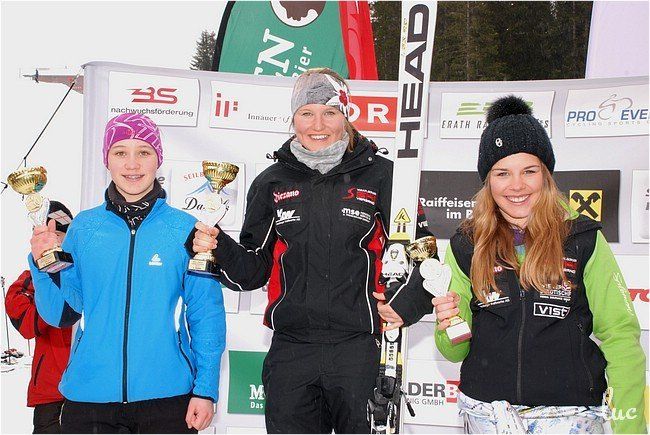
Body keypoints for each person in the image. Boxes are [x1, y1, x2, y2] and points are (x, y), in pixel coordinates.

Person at [191, 68, 433, 433]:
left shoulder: (384, 175)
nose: (317, 125)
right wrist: (217, 245)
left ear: (345, 115)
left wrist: (406, 303)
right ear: (294, 118)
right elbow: (253, 272)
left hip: (358, 349)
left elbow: (424, 254)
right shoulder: (271, 182)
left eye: (329, 112)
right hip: (292, 351)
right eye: (306, 113)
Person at [432, 95, 646, 434]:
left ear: (545, 175)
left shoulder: (582, 238)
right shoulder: (466, 244)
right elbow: (454, 352)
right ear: (488, 181)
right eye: (502, 173)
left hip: (570, 418)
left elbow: (620, 336)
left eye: (529, 171)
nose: (516, 185)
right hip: (487, 417)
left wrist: (629, 426)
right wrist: (448, 326)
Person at [29, 113, 226, 434]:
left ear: (158, 159)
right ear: (106, 159)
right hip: (89, 397)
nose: (132, 164)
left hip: (167, 397)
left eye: (143, 152)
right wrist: (41, 262)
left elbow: (206, 314)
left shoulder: (186, 229)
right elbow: (62, 313)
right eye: (120, 152)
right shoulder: (84, 228)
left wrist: (205, 390)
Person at [5, 201, 74, 434]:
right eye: (48, 236)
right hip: (50, 392)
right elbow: (25, 323)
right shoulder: (32, 277)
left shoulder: (86, 276)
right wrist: (51, 298)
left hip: (91, 389)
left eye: (60, 236)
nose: (55, 242)